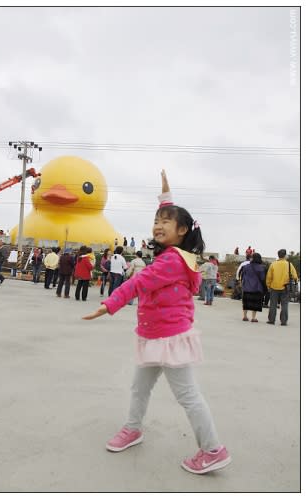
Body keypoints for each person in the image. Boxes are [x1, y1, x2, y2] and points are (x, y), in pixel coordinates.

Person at [82, 169, 231, 475]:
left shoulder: (171, 261)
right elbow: (173, 221)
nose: (158, 225)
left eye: (165, 222)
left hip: (169, 338)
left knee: (188, 395)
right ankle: (133, 429)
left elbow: (138, 283)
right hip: (153, 334)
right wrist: (165, 197)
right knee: (140, 388)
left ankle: (213, 450)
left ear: (182, 230)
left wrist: (109, 305)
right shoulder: (179, 253)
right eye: (156, 221)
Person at [266, 249, 298, 326]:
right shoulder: (289, 264)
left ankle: (271, 320)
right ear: (285, 255)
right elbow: (295, 276)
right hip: (285, 288)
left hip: (274, 287)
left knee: (273, 305)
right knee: (284, 305)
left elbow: (269, 277)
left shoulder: (273, 264)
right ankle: (283, 321)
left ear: (278, 255)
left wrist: (268, 285)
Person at [241, 253, 266, 322]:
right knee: (255, 303)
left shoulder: (246, 266)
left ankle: (245, 316)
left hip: (246, 287)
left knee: (246, 302)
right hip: (257, 288)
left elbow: (242, 276)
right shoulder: (261, 268)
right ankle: (253, 318)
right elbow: (262, 278)